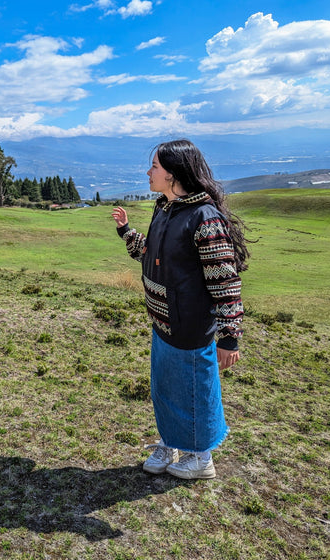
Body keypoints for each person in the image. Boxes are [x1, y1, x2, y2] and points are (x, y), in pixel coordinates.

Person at [112, 139, 249, 480]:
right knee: (166, 389)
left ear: (173, 175)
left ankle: (201, 458)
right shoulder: (165, 208)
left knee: (195, 393)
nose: (148, 172)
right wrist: (126, 232)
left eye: (154, 167)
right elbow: (152, 252)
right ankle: (170, 441)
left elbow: (225, 282)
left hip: (190, 327)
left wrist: (229, 336)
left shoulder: (204, 219)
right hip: (163, 323)